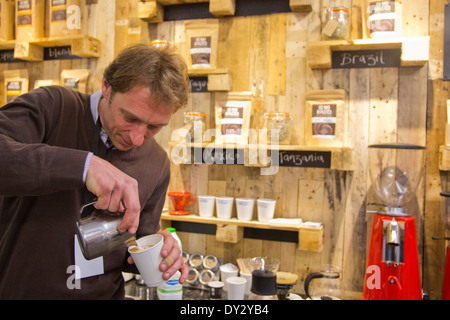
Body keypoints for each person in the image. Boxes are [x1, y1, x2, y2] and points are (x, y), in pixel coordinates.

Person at [0, 43, 190, 299]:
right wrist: (85, 166)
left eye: (154, 127)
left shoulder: (156, 162)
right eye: (130, 118)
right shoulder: (53, 107)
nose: (137, 138)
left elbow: (130, 251)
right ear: (106, 87)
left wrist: (160, 249)